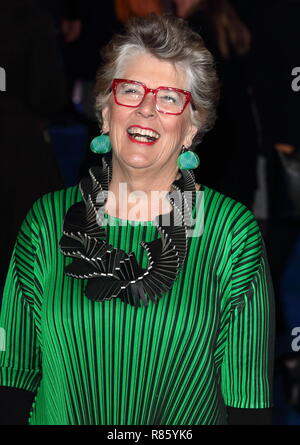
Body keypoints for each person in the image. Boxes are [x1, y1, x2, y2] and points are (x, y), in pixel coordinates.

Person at [0, 14, 275, 425]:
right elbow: (13, 381)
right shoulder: (45, 222)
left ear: (191, 128)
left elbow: (248, 405)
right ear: (106, 111)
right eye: (131, 90)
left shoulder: (231, 233)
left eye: (168, 98)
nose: (146, 109)